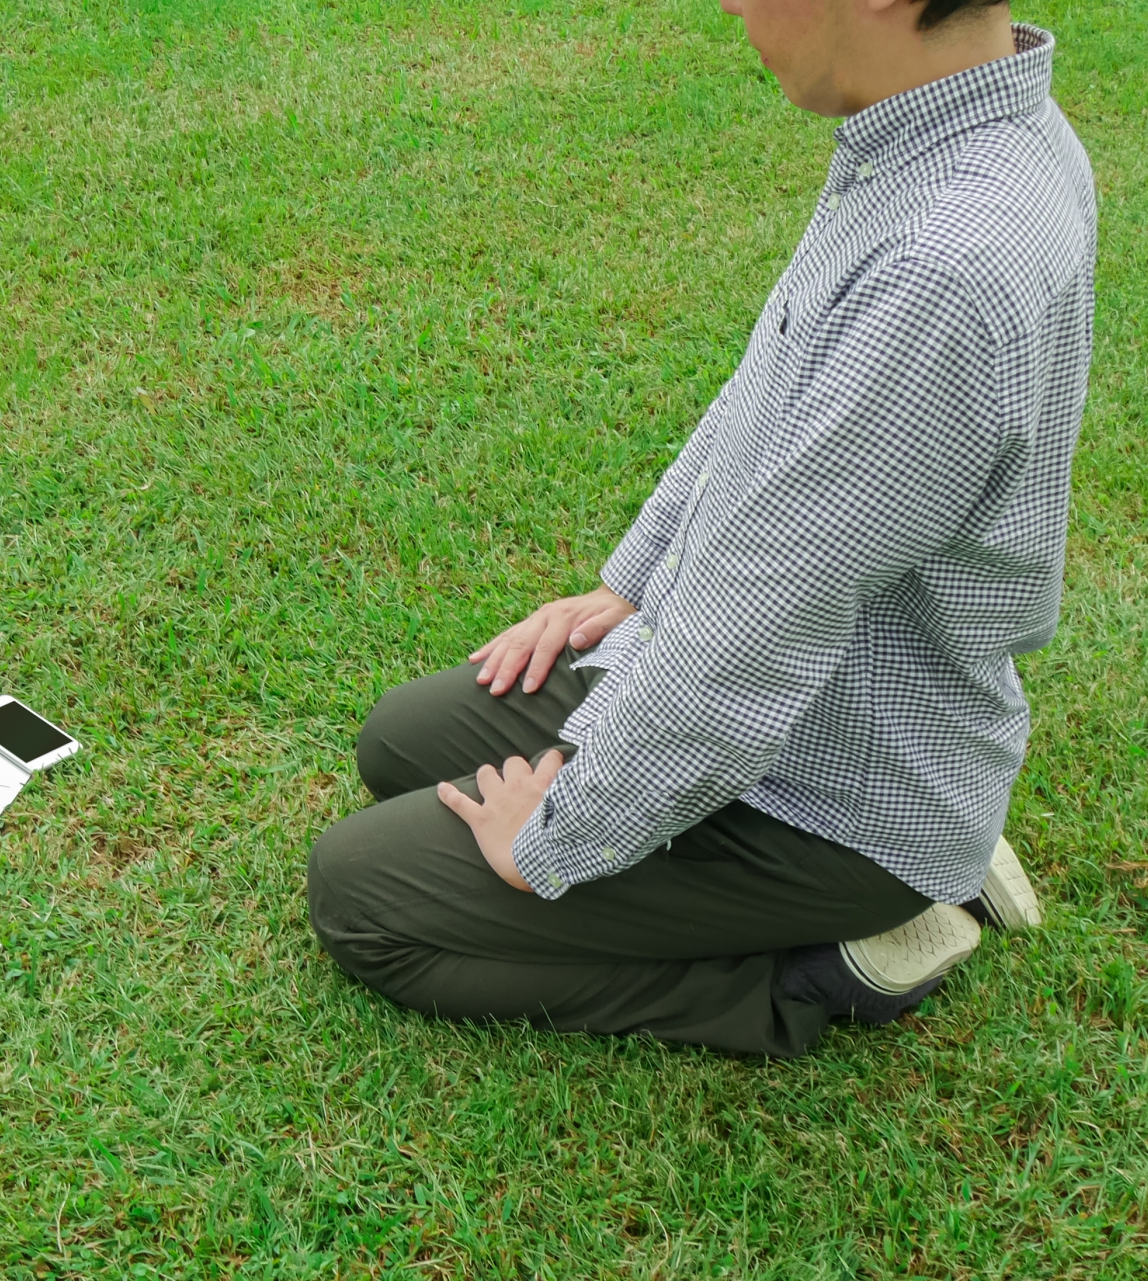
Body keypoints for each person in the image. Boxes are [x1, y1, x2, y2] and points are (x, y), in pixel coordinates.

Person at [307, 0, 1092, 1056]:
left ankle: (829, 963)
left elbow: (750, 646)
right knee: (402, 740)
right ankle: (923, 841)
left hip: (827, 789)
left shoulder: (942, 267)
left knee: (361, 899)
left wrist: (556, 841)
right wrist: (630, 585)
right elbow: (768, 388)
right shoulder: (948, 132)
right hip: (830, 707)